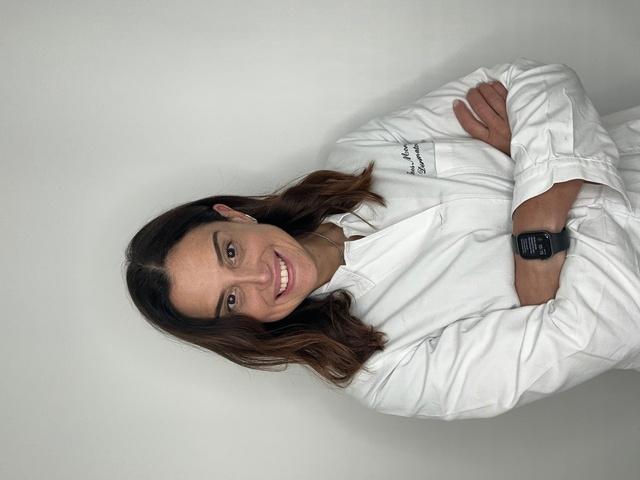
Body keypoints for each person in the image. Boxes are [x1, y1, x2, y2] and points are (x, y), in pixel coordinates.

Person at [125, 58, 640, 420]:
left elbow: (536, 79)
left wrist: (537, 224)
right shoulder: (386, 374)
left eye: (230, 251)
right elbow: (612, 324)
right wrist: (540, 160)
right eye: (232, 300)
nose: (260, 277)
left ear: (233, 215)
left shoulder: (362, 153)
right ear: (238, 329)